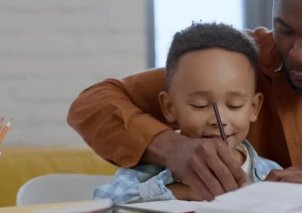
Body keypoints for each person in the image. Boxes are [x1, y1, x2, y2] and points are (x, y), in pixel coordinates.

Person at [68, 0, 302, 201]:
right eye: (284, 29)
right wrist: (172, 148)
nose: (298, 54)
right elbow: (92, 104)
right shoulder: (245, 60)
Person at [92, 23, 281, 204]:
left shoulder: (272, 175)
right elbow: (104, 202)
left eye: (234, 105)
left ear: (254, 108)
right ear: (169, 108)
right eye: (199, 105)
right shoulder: (148, 173)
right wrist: (182, 192)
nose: (219, 120)